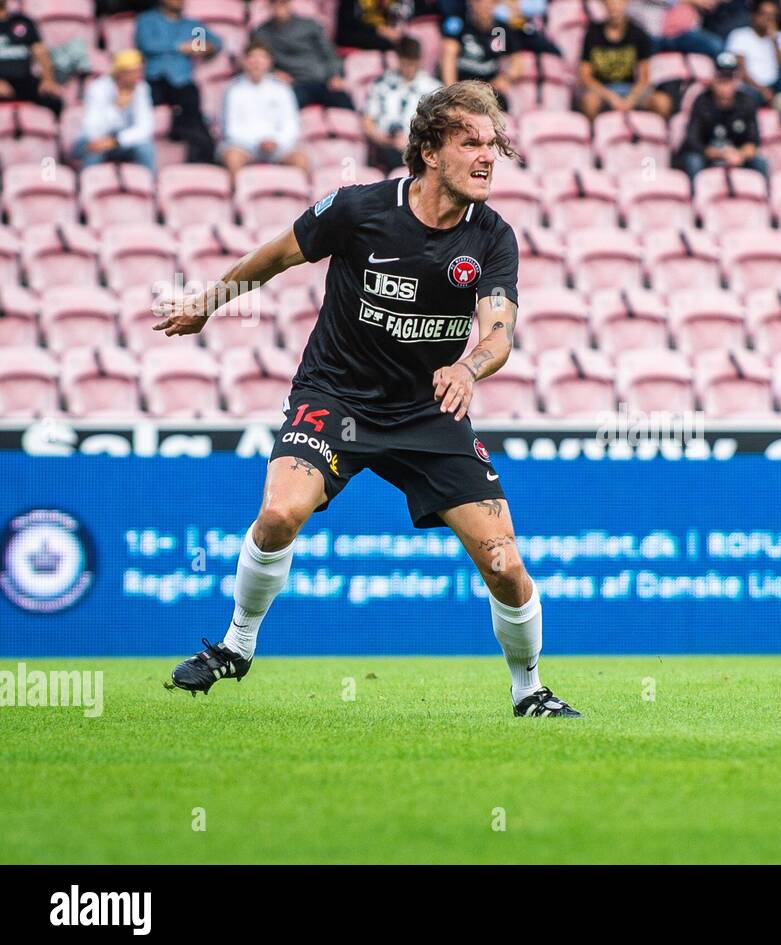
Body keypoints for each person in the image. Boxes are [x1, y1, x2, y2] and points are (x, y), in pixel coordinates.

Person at [155, 80, 581, 718]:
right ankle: (237, 646)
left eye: (492, 144)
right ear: (431, 151)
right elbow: (277, 257)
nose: (488, 157)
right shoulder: (359, 211)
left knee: (503, 563)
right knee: (278, 515)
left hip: (431, 410)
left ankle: (530, 691)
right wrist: (207, 305)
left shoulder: (492, 237)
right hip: (338, 395)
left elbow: (499, 331)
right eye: (472, 143)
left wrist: (469, 367)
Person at [136, 0, 221, 162]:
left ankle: (199, 161)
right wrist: (179, 47)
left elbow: (215, 43)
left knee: (194, 117)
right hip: (155, 79)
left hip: (181, 81)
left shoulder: (191, 25)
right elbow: (146, 44)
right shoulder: (148, 20)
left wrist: (202, 47)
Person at [219, 40, 309, 175]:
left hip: (277, 145)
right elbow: (231, 128)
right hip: (244, 145)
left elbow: (291, 124)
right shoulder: (233, 89)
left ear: (269, 62)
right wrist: (257, 142)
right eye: (252, 57)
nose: (257, 62)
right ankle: (239, 194)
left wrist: (276, 141)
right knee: (233, 158)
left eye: (262, 57)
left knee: (301, 159)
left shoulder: (282, 88)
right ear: (244, 61)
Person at [677, 50, 768, 177]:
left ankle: (764, 195)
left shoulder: (746, 102)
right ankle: (694, 194)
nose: (725, 87)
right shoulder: (701, 101)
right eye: (721, 80)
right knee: (693, 161)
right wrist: (721, 154)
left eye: (729, 80)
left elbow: (754, 141)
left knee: (759, 162)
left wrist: (739, 154)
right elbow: (692, 141)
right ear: (713, 79)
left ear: (736, 81)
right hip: (708, 154)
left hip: (736, 154)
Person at [251, 0, 353, 110]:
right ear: (269, 6)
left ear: (290, 4)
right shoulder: (261, 33)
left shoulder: (310, 25)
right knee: (281, 107)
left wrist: (336, 75)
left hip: (323, 81)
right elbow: (256, 59)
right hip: (293, 84)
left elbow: (329, 53)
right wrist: (273, 73)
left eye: (283, 2)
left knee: (345, 105)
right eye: (275, 3)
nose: (279, 6)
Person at [364, 35, 441, 171]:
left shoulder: (433, 90)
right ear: (398, 60)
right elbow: (367, 120)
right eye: (405, 63)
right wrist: (381, 137)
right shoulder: (382, 83)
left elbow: (438, 126)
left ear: (419, 61)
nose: (408, 68)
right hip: (384, 145)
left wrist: (412, 141)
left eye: (412, 63)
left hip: (417, 147)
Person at [73, 49, 155, 170]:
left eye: (140, 71)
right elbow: (92, 130)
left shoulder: (141, 88)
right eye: (134, 72)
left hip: (121, 140)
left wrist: (116, 141)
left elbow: (145, 127)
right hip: (93, 139)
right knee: (95, 148)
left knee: (145, 147)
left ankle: (150, 186)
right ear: (121, 74)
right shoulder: (98, 88)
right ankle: (84, 186)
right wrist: (116, 108)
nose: (139, 76)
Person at [578, 0, 653, 119]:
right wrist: (611, 97)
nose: (615, 8)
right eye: (611, 3)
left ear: (626, 3)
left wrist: (631, 99)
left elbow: (644, 77)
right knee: (589, 103)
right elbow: (585, 76)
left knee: (662, 102)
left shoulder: (639, 34)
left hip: (630, 89)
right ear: (604, 5)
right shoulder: (592, 34)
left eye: (618, 3)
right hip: (603, 91)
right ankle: (593, 134)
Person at [441, 0, 520, 111]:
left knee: (503, 106)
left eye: (489, 3)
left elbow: (517, 63)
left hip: (488, 89)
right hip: (461, 86)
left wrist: (505, 78)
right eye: (480, 2)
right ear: (472, 3)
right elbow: (448, 58)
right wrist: (452, 92)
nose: (484, 7)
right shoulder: (460, 25)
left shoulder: (501, 30)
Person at [725, 0, 781, 109]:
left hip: (777, 87)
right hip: (751, 86)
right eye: (764, 14)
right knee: (744, 92)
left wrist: (774, 41)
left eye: (772, 16)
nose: (768, 19)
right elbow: (740, 70)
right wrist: (762, 90)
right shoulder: (739, 35)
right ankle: (778, 104)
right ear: (753, 15)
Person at [0, 0, 64, 116]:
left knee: (53, 101)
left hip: (24, 82)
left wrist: (48, 80)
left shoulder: (22, 21)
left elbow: (40, 52)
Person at [335, 0, 405, 50]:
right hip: (352, 34)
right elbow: (348, 25)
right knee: (389, 44)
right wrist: (378, 29)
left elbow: (396, 22)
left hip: (379, 33)